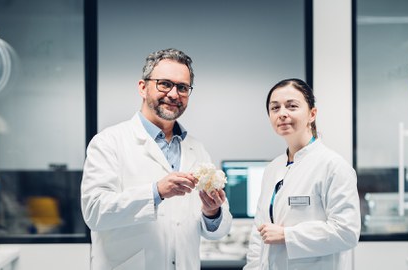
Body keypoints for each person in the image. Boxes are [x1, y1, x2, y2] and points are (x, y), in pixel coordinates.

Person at [81, 48, 232, 270]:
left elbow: (219, 229)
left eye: (182, 87)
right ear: (143, 88)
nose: (173, 94)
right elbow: (94, 212)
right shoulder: (108, 142)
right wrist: (156, 192)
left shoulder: (196, 149)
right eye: (164, 84)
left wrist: (212, 212)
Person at [244, 78, 361, 270]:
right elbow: (259, 234)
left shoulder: (333, 166)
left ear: (312, 114)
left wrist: (288, 236)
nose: (282, 114)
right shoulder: (273, 169)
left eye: (292, 106)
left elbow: (347, 232)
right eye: (275, 108)